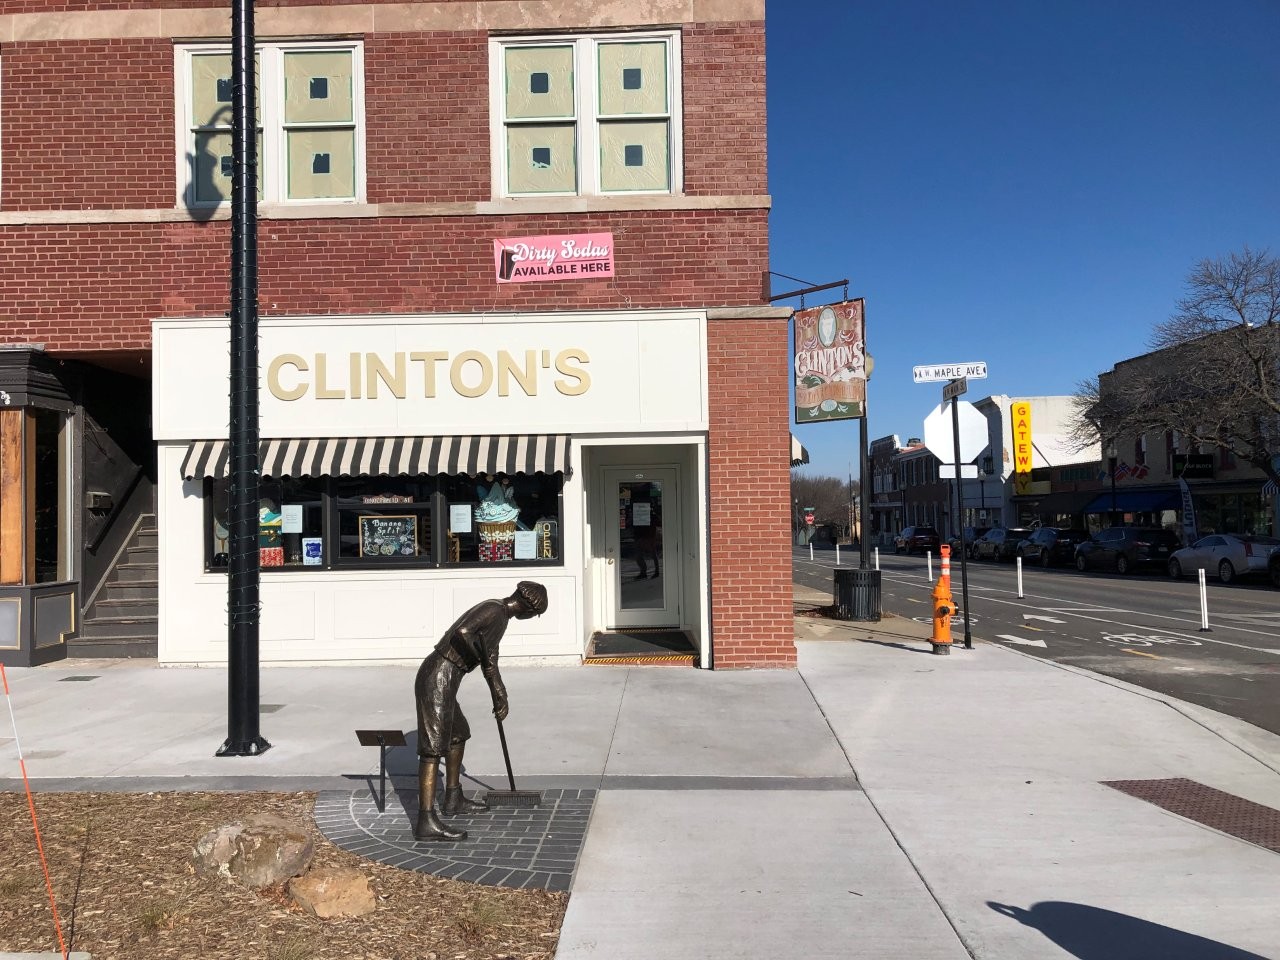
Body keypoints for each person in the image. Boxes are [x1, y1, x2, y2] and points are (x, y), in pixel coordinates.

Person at [413, 580, 549, 841]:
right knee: (433, 748)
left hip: (449, 678)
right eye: (535, 614)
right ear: (529, 608)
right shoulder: (493, 609)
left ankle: (453, 798)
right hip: (437, 675)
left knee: (458, 734)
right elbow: (463, 632)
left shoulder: (501, 620)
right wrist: (480, 654)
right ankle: (426, 821)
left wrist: (500, 693)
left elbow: (490, 662)